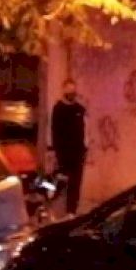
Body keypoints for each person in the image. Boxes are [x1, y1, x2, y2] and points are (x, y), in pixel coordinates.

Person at [49, 79, 87, 215]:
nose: (72, 94)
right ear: (64, 91)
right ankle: (51, 204)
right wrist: (54, 152)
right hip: (63, 153)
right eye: (69, 91)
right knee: (60, 182)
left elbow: (85, 130)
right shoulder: (58, 109)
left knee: (75, 183)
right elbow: (54, 131)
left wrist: (85, 148)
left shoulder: (79, 109)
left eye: (73, 91)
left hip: (77, 153)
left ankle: (71, 211)